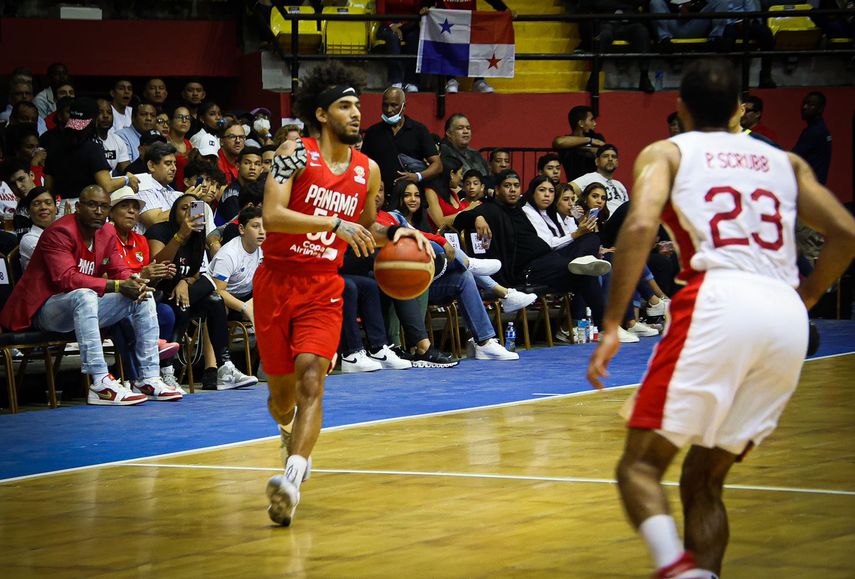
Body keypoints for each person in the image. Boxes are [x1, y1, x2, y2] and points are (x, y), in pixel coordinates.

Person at [587, 59, 855, 579]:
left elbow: (639, 225)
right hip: (785, 316)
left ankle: (676, 570)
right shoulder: (786, 162)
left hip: (718, 298)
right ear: (739, 109)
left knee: (639, 467)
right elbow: (844, 231)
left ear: (680, 108)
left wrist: (613, 323)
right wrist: (805, 297)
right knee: (704, 478)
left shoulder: (668, 152)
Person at [256, 62, 433, 527]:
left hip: (323, 284)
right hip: (276, 282)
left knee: (313, 378)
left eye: (357, 105)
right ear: (321, 114)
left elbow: (366, 229)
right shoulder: (294, 153)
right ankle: (287, 430)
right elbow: (272, 216)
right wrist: (334, 222)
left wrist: (398, 233)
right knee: (282, 399)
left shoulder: (368, 170)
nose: (356, 113)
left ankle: (292, 479)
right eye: (345, 105)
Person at [0, 185, 181, 405]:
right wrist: (118, 285)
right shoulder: (59, 232)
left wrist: (134, 282)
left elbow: (119, 270)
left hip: (81, 308)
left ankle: (148, 378)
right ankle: (100, 383)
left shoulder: (107, 232)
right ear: (78, 207)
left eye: (103, 206)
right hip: (44, 309)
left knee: (143, 296)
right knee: (84, 295)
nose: (98, 211)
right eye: (92, 205)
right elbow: (66, 279)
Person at [360, 86, 442, 205]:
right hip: (382, 202)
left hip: (411, 201)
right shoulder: (372, 132)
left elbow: (437, 165)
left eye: (394, 105)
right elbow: (363, 166)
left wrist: (417, 176)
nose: (389, 110)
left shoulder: (419, 130)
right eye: (385, 105)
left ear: (404, 106)